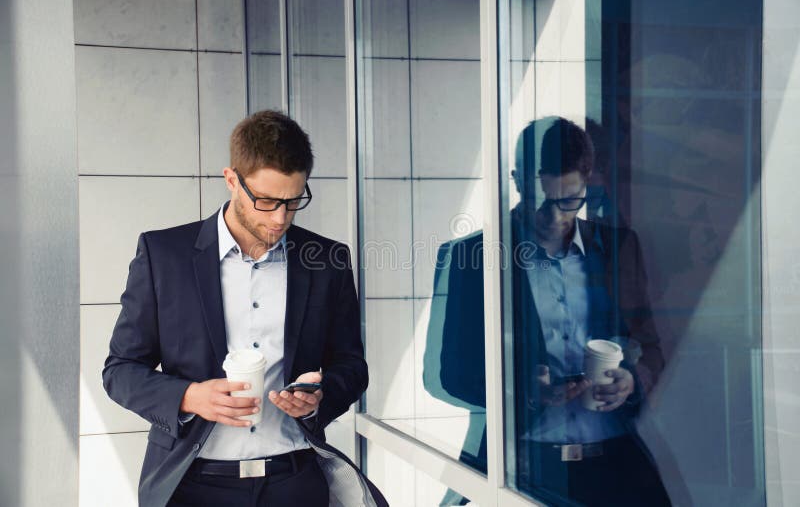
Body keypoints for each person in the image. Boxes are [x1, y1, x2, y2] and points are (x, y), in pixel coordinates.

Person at [103, 110, 387, 507]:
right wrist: (189, 397)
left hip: (295, 482)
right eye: (267, 201)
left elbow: (352, 367)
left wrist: (318, 396)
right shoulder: (162, 255)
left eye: (293, 202)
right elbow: (120, 371)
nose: (280, 218)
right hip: (193, 485)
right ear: (232, 180)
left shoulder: (327, 259)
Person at [426, 117, 671, 506]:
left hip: (616, 468)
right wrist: (525, 390)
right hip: (526, 469)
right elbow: (451, 375)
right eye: (542, 202)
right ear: (517, 182)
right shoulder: (475, 257)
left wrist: (632, 381)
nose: (556, 217)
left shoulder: (620, 246)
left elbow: (651, 347)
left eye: (570, 201)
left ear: (587, 183)